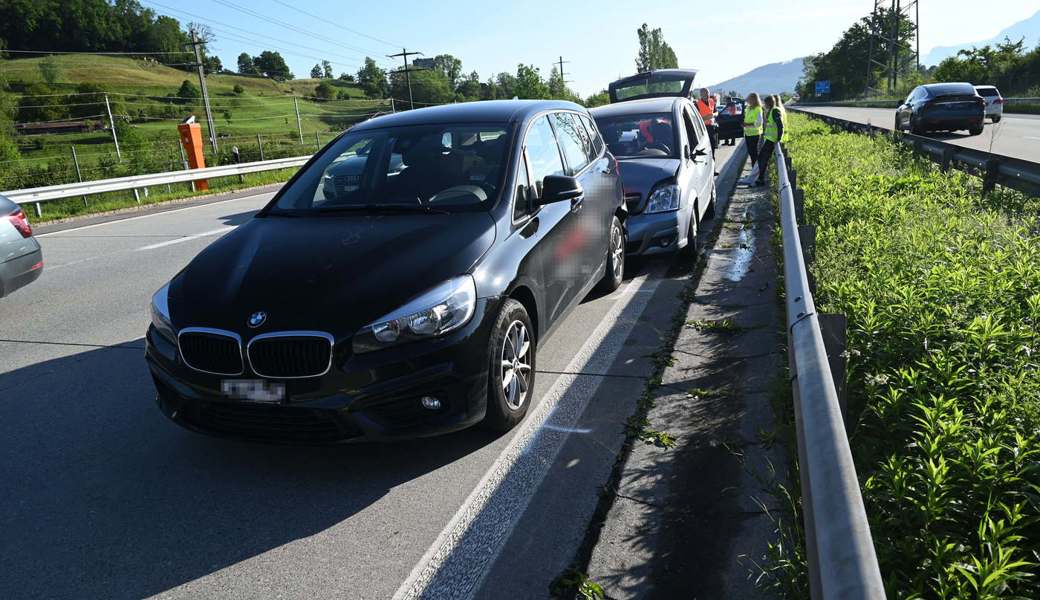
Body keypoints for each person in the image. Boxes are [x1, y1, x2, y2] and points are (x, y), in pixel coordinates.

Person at [754, 95, 785, 187]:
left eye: (765, 103)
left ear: (769, 102)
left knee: (762, 158)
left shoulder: (775, 111)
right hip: (770, 139)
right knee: (762, 158)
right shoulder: (771, 110)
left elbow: (780, 125)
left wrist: (779, 139)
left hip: (772, 140)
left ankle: (761, 179)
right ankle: (761, 178)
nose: (764, 105)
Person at [695, 87, 718, 158]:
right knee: (704, 147)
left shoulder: (711, 101)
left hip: (712, 127)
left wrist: (713, 115)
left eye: (708, 93)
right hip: (702, 128)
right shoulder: (697, 104)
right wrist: (706, 118)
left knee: (713, 146)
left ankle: (713, 163)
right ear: (701, 95)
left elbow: (716, 112)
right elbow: (696, 118)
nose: (707, 95)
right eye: (705, 93)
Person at [743, 93, 763, 169]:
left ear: (754, 100)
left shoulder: (758, 108)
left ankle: (756, 172)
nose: (747, 100)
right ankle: (754, 171)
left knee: (754, 154)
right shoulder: (748, 108)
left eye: (749, 99)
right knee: (752, 154)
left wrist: (747, 124)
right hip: (748, 134)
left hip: (755, 135)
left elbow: (758, 123)